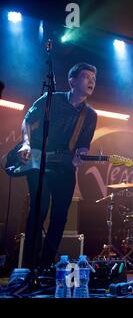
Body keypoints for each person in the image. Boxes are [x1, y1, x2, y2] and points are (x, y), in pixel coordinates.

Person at [18, 62, 98, 270]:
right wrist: (26, 142)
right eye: (86, 76)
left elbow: (83, 145)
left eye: (94, 78)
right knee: (39, 210)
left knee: (60, 215)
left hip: (64, 166)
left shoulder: (90, 115)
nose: (91, 81)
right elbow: (27, 119)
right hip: (39, 161)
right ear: (72, 81)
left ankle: (45, 266)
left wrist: (79, 157)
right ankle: (29, 266)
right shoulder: (50, 99)